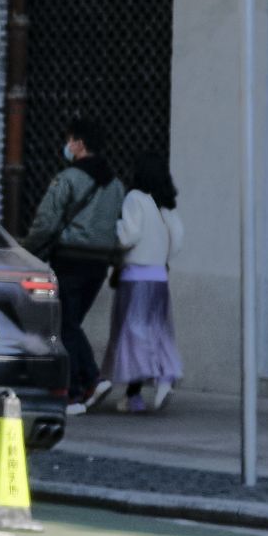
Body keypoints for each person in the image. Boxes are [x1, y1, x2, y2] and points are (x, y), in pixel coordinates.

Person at [24, 121, 124, 406]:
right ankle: (82, 386)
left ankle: (87, 383)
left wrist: (27, 250)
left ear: (79, 144)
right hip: (98, 263)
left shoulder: (68, 178)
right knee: (71, 324)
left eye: (69, 140)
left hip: (69, 258)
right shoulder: (116, 185)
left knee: (65, 324)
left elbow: (46, 222)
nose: (67, 146)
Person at [102, 167, 184, 412]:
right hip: (159, 276)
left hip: (135, 277)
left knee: (132, 334)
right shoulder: (165, 206)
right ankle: (159, 379)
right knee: (157, 331)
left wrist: (115, 232)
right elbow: (178, 239)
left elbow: (129, 235)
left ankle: (135, 395)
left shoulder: (135, 198)